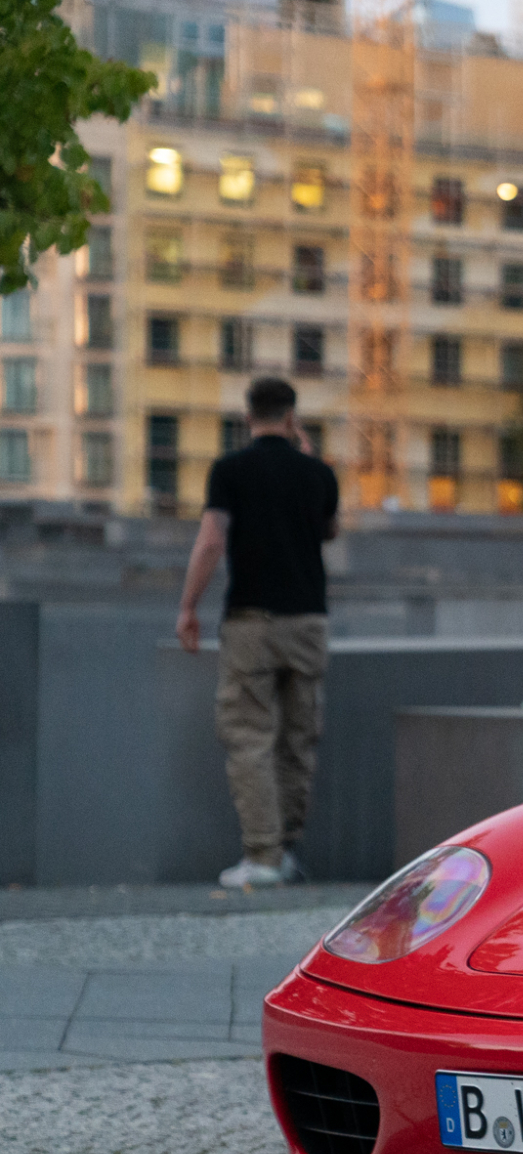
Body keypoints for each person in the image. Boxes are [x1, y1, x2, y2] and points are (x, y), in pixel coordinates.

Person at [176, 375, 340, 891]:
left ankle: (264, 856)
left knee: (249, 737)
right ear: (292, 418)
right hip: (309, 621)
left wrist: (188, 607)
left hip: (251, 621)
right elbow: (328, 530)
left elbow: (210, 542)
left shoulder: (230, 471)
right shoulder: (319, 474)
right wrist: (310, 459)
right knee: (298, 740)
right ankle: (286, 851)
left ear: (248, 417)